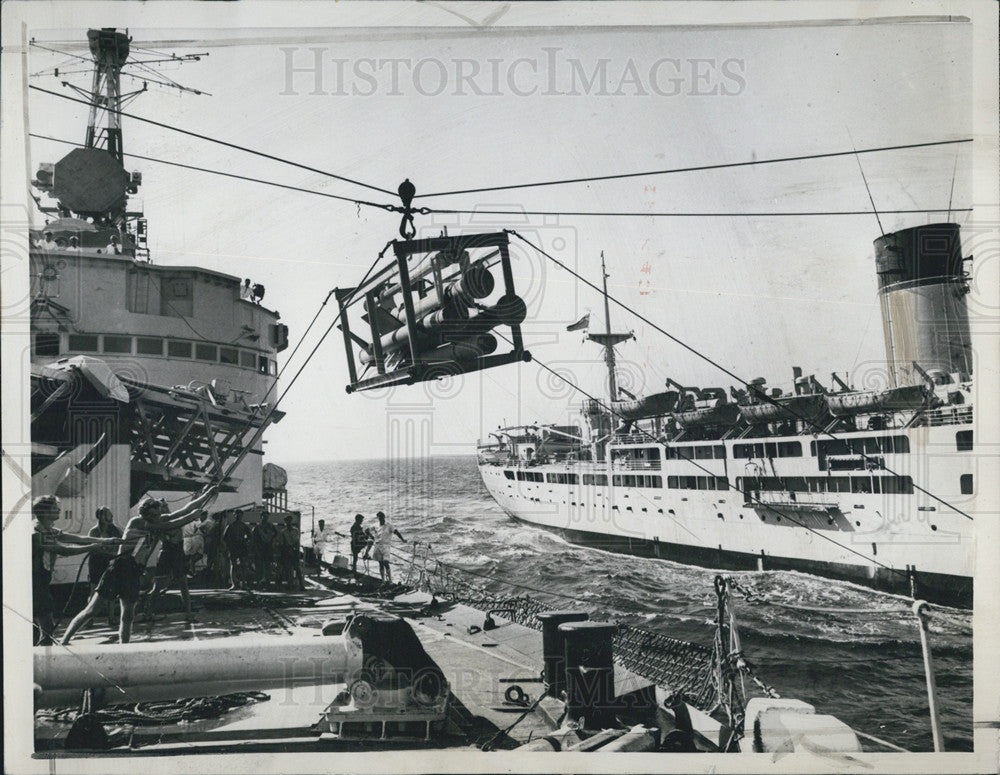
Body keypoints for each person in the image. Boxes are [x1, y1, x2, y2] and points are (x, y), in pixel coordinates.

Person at [61, 487, 217, 646]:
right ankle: (65, 640)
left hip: (134, 571)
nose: (158, 518)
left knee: (128, 615)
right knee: (92, 610)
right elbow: (176, 521)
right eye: (154, 515)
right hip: (120, 567)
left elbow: (184, 510)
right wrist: (193, 516)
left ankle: (125, 647)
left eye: (158, 515)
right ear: (145, 514)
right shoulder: (138, 522)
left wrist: (207, 494)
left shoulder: (155, 520)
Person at [32, 496, 123, 646]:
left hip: (40, 582)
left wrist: (104, 540)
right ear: (45, 511)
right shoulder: (37, 533)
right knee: (46, 630)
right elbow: (64, 550)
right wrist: (94, 547)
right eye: (55, 508)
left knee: (43, 629)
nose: (59, 510)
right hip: (35, 583)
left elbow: (74, 538)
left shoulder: (47, 529)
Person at [88, 507, 122, 627]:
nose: (111, 517)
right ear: (102, 517)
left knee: (111, 589)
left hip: (110, 561)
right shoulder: (94, 531)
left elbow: (121, 545)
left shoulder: (116, 530)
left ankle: (111, 617)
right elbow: (92, 547)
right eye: (109, 515)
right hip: (96, 562)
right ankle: (89, 618)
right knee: (94, 589)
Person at [371, 511, 406, 584]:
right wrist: (372, 537)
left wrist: (402, 539)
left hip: (386, 546)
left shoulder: (389, 526)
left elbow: (396, 532)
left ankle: (390, 580)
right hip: (378, 545)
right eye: (379, 518)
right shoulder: (376, 526)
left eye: (382, 518)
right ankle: (383, 581)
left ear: (384, 517)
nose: (381, 519)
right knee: (380, 564)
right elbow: (366, 530)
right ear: (378, 518)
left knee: (386, 563)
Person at [223, 509, 251, 590]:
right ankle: (234, 584)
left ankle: (244, 584)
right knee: (233, 565)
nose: (238, 516)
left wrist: (245, 541)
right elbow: (225, 538)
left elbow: (250, 536)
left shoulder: (244, 526)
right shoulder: (230, 526)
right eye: (237, 514)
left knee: (243, 565)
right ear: (234, 515)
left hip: (242, 546)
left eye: (240, 515)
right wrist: (228, 546)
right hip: (233, 547)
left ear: (242, 516)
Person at [277, 515, 304, 590]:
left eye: (289, 521)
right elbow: (281, 543)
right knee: (287, 568)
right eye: (287, 521)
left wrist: (298, 551)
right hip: (286, 551)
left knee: (297, 568)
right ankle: (289, 585)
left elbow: (297, 542)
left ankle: (301, 585)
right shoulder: (283, 532)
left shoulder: (295, 530)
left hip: (294, 550)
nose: (288, 523)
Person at [252, 510, 277, 589]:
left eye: (266, 516)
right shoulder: (257, 527)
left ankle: (267, 582)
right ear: (261, 517)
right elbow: (254, 538)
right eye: (264, 516)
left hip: (268, 548)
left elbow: (275, 534)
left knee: (268, 566)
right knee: (259, 566)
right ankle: (259, 582)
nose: (265, 518)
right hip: (259, 548)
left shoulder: (271, 526)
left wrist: (272, 541)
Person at [349, 514, 369, 578]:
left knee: (355, 558)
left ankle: (354, 570)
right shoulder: (355, 527)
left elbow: (361, 536)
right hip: (356, 544)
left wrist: (365, 536)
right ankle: (366, 555)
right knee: (355, 558)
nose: (362, 521)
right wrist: (366, 535)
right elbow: (358, 536)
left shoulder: (356, 527)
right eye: (361, 520)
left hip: (355, 544)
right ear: (358, 520)